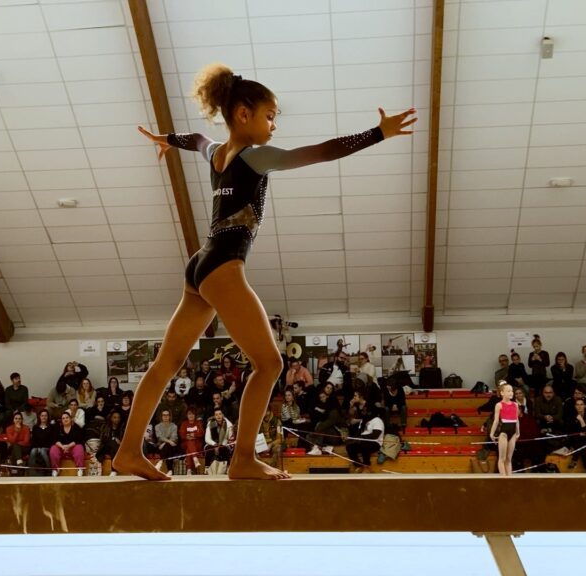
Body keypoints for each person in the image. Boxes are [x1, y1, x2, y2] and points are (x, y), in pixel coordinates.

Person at [114, 64, 414, 480]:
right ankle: (241, 460)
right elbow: (322, 151)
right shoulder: (256, 157)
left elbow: (195, 140)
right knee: (270, 364)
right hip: (222, 266)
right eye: (270, 115)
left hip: (199, 265)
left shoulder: (218, 153)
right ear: (243, 113)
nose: (274, 125)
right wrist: (378, 133)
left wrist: (165, 140)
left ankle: (128, 453)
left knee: (168, 362)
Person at [489, 382, 519, 476]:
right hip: (504, 433)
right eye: (508, 391)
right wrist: (492, 433)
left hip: (513, 432)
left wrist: (518, 432)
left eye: (512, 391)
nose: (511, 393)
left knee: (509, 459)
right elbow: (496, 421)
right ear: (502, 393)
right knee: (502, 458)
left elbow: (517, 420)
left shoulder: (515, 404)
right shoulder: (499, 405)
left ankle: (509, 478)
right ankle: (503, 479)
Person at [346, 407, 384, 473]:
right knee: (350, 446)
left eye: (365, 412)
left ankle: (367, 465)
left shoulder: (377, 420)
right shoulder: (366, 421)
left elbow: (375, 435)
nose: (363, 413)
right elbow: (359, 433)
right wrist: (352, 439)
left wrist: (361, 437)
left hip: (375, 443)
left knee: (364, 444)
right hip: (364, 441)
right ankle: (359, 465)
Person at [563, 397, 586, 471]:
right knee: (581, 443)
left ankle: (574, 459)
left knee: (581, 442)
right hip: (576, 440)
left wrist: (581, 420)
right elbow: (571, 431)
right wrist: (582, 433)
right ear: (575, 406)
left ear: (585, 406)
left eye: (581, 404)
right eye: (577, 405)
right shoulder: (571, 417)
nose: (579, 406)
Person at [50, 411, 85, 477]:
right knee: (53, 448)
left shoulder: (76, 427)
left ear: (70, 419)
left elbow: (78, 440)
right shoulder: (58, 428)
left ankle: (80, 469)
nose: (65, 419)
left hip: (72, 448)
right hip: (61, 448)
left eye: (67, 418)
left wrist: (68, 446)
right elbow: (55, 440)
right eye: (63, 418)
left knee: (79, 447)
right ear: (61, 420)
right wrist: (62, 446)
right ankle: (55, 470)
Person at [204, 408, 235, 475]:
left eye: (220, 414)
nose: (218, 416)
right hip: (213, 444)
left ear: (223, 415)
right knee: (208, 449)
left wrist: (221, 445)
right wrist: (214, 444)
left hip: (224, 444)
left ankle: (227, 468)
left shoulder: (228, 424)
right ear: (214, 416)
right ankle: (207, 469)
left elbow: (229, 438)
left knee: (224, 449)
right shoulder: (210, 423)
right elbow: (207, 438)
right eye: (216, 415)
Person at [29, 410, 54, 477]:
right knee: (33, 451)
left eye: (45, 415)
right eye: (42, 415)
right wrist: (38, 448)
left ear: (48, 417)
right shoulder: (35, 427)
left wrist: (41, 448)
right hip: (37, 447)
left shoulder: (51, 427)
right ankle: (31, 471)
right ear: (39, 417)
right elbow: (33, 440)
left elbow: (52, 441)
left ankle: (49, 470)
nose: (44, 417)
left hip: (48, 447)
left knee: (43, 451)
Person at [179, 408, 205, 474]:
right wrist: (187, 436)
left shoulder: (198, 423)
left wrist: (194, 435)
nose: (191, 415)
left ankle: (189, 469)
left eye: (192, 414)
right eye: (189, 414)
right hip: (186, 442)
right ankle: (195, 458)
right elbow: (182, 434)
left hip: (197, 444)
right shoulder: (184, 423)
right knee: (189, 443)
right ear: (187, 415)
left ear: (195, 415)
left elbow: (201, 433)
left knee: (189, 450)